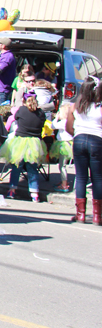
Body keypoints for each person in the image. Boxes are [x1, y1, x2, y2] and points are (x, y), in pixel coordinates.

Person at [64, 78, 102, 224]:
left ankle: (80, 214)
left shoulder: (75, 107)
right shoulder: (99, 107)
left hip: (79, 139)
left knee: (81, 177)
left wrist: (77, 134)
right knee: (97, 178)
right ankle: (98, 216)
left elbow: (68, 127)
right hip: (97, 141)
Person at [0, 91, 47, 202]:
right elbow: (42, 124)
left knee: (16, 166)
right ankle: (35, 194)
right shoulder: (41, 113)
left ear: (24, 101)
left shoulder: (22, 110)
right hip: (35, 143)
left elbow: (15, 117)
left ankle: (12, 190)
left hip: (20, 141)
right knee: (32, 169)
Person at [50, 103, 74, 192]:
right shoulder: (70, 121)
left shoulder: (63, 122)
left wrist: (56, 118)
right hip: (69, 143)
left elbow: (52, 126)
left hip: (64, 144)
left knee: (62, 166)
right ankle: (63, 181)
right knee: (62, 165)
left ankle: (64, 185)